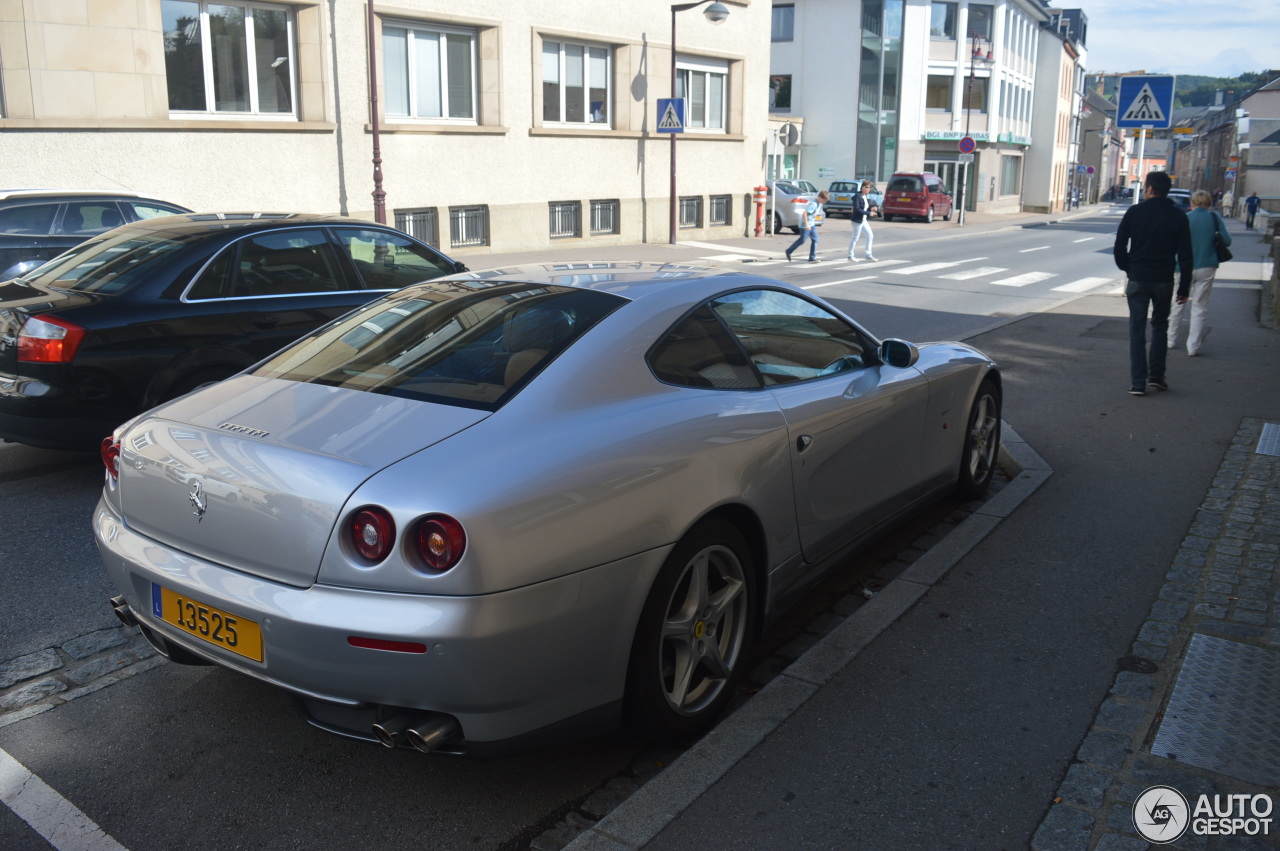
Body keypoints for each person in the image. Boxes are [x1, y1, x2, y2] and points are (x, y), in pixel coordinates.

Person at [1113, 171, 1193, 396]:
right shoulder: (1178, 216)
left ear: (1148, 189)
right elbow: (1186, 255)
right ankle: (1157, 377)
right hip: (1163, 279)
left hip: (1138, 277)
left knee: (1137, 330)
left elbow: (1119, 246)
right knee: (1160, 326)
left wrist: (1128, 268)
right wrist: (1184, 287)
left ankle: (1138, 383)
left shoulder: (1135, 212)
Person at [1167, 190, 1231, 357]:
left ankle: (1171, 339)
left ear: (1193, 203)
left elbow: (1172, 242)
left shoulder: (1185, 218)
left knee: (1178, 302)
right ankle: (1193, 347)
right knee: (1200, 307)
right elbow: (1227, 240)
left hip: (1183, 267)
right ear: (1209, 203)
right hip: (1207, 266)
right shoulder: (1214, 219)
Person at [786, 190, 828, 262]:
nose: (825, 202)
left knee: (815, 240)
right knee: (802, 240)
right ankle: (789, 251)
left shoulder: (819, 204)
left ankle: (812, 258)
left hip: (811, 224)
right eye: (824, 200)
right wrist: (806, 225)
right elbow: (804, 214)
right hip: (805, 225)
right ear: (820, 197)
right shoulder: (813, 204)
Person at [846, 180, 879, 262]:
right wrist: (869, 213)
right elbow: (857, 209)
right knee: (855, 237)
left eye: (869, 187)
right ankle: (850, 256)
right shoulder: (858, 196)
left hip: (863, 220)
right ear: (862, 188)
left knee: (870, 235)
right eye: (867, 187)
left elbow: (865, 206)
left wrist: (872, 208)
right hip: (857, 220)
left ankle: (868, 254)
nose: (868, 189)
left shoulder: (865, 196)